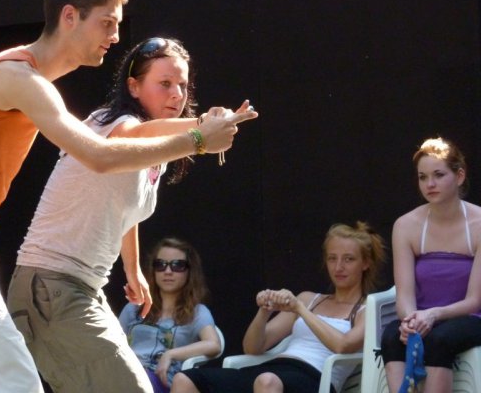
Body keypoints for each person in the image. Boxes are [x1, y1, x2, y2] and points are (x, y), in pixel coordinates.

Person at [0, 0, 257, 393]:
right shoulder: (19, 77)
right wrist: (198, 139)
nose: (116, 36)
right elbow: (101, 156)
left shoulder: (11, 70)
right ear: (70, 16)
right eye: (106, 23)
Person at [6, 35, 252, 393]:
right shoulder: (112, 123)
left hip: (78, 289)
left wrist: (133, 269)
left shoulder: (154, 153)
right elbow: (138, 134)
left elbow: (125, 209)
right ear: (134, 87)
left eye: (183, 85)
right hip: (50, 286)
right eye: (165, 84)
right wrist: (201, 127)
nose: (177, 95)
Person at [172, 222, 386, 393]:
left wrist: (300, 310)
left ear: (365, 263)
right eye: (332, 258)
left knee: (267, 381)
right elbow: (253, 348)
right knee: (184, 379)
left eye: (349, 259)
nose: (339, 267)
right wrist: (265, 311)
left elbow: (343, 346)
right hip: (274, 369)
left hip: (315, 379)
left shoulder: (367, 308)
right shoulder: (310, 299)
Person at [381, 137, 481, 393]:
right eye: (423, 177)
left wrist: (434, 314)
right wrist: (411, 320)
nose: (430, 184)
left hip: (469, 317)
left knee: (439, 340)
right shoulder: (406, 225)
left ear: (459, 176)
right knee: (392, 336)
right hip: (424, 316)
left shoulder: (479, 224)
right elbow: (404, 294)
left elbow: (474, 301)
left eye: (439, 175)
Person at [119, 237, 222, 393]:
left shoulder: (197, 312)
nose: (168, 271)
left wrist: (170, 354)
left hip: (161, 380)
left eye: (177, 265)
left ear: (190, 271)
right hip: (124, 374)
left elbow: (214, 345)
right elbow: (112, 344)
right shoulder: (133, 308)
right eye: (160, 265)